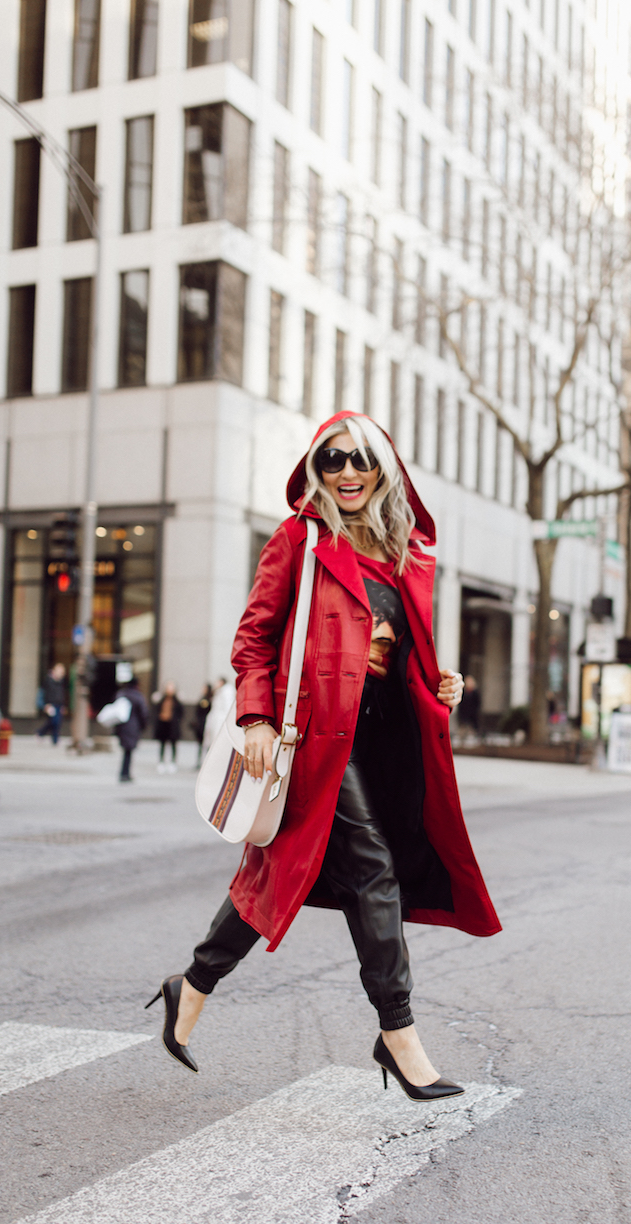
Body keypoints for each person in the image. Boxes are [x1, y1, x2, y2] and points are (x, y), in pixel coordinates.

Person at [147, 412, 502, 1101]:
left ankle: (188, 987)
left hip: (379, 743)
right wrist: (252, 715)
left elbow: (398, 652)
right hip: (312, 741)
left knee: (278, 874)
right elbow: (252, 639)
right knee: (372, 872)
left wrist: (438, 682)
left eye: (359, 461)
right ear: (317, 469)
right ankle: (398, 1037)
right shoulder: (300, 541)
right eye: (332, 460)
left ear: (381, 470)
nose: (346, 473)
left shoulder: (403, 554)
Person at [114, 676, 149, 783]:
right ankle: (125, 773)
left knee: (126, 750)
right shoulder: (138, 696)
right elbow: (143, 713)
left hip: (121, 726)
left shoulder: (121, 694)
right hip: (133, 727)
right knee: (128, 751)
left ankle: (124, 773)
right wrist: (143, 726)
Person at [200, 675, 236, 760]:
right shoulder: (219, 692)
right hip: (215, 719)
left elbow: (227, 707)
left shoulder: (226, 692)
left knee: (218, 742)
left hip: (220, 720)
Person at [152, 681, 184, 772]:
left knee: (173, 744)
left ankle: (173, 762)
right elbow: (157, 709)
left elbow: (181, 713)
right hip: (163, 723)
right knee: (162, 744)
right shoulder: (162, 699)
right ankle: (161, 761)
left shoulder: (176, 701)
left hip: (173, 725)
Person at [36, 663, 67, 745]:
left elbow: (62, 694)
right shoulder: (48, 680)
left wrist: (63, 705)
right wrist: (46, 705)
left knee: (57, 722)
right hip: (50, 704)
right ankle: (43, 733)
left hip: (59, 704)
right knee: (53, 721)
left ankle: (53, 739)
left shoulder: (61, 682)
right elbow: (44, 693)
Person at [193, 684, 213, 768]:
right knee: (200, 744)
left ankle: (206, 762)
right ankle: (199, 762)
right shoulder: (203, 698)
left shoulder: (207, 699)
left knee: (207, 744)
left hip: (205, 724)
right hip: (201, 724)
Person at [457, 674, 482, 739]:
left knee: (473, 731)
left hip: (473, 715)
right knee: (463, 730)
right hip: (464, 715)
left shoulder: (475, 693)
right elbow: (461, 704)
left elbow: (477, 704)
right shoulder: (464, 693)